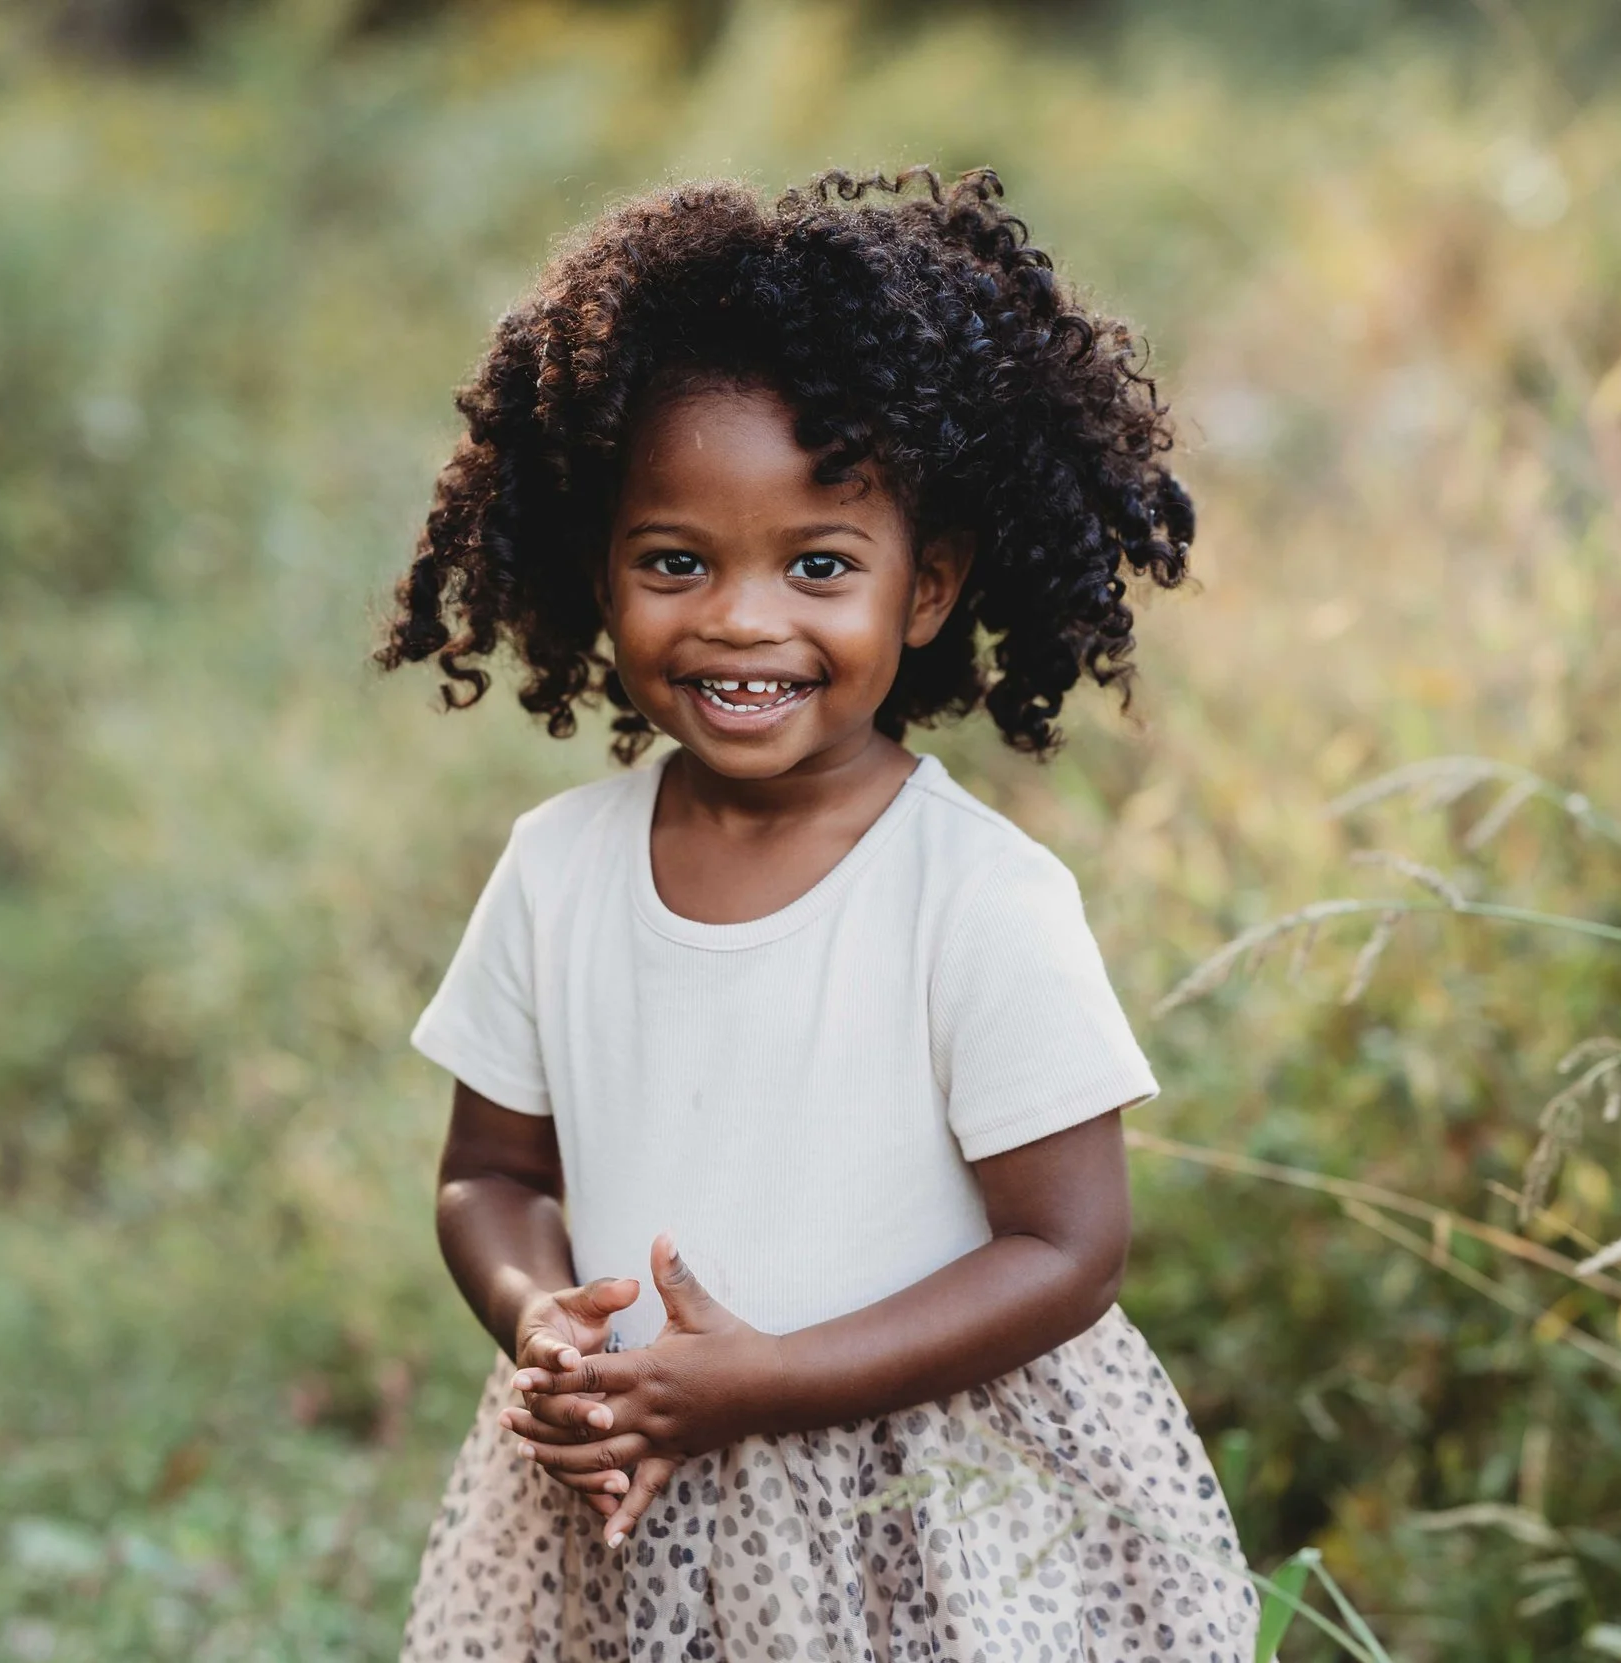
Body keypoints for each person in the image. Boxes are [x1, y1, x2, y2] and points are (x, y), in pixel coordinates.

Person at [374, 166, 1257, 1661]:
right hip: (636, 1490)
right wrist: (542, 1322)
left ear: (927, 591)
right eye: (676, 561)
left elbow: (1068, 1251)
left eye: (820, 565)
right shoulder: (556, 868)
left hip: (921, 1515)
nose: (742, 617)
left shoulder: (975, 896)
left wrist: (768, 1379)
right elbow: (490, 1176)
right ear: (600, 569)